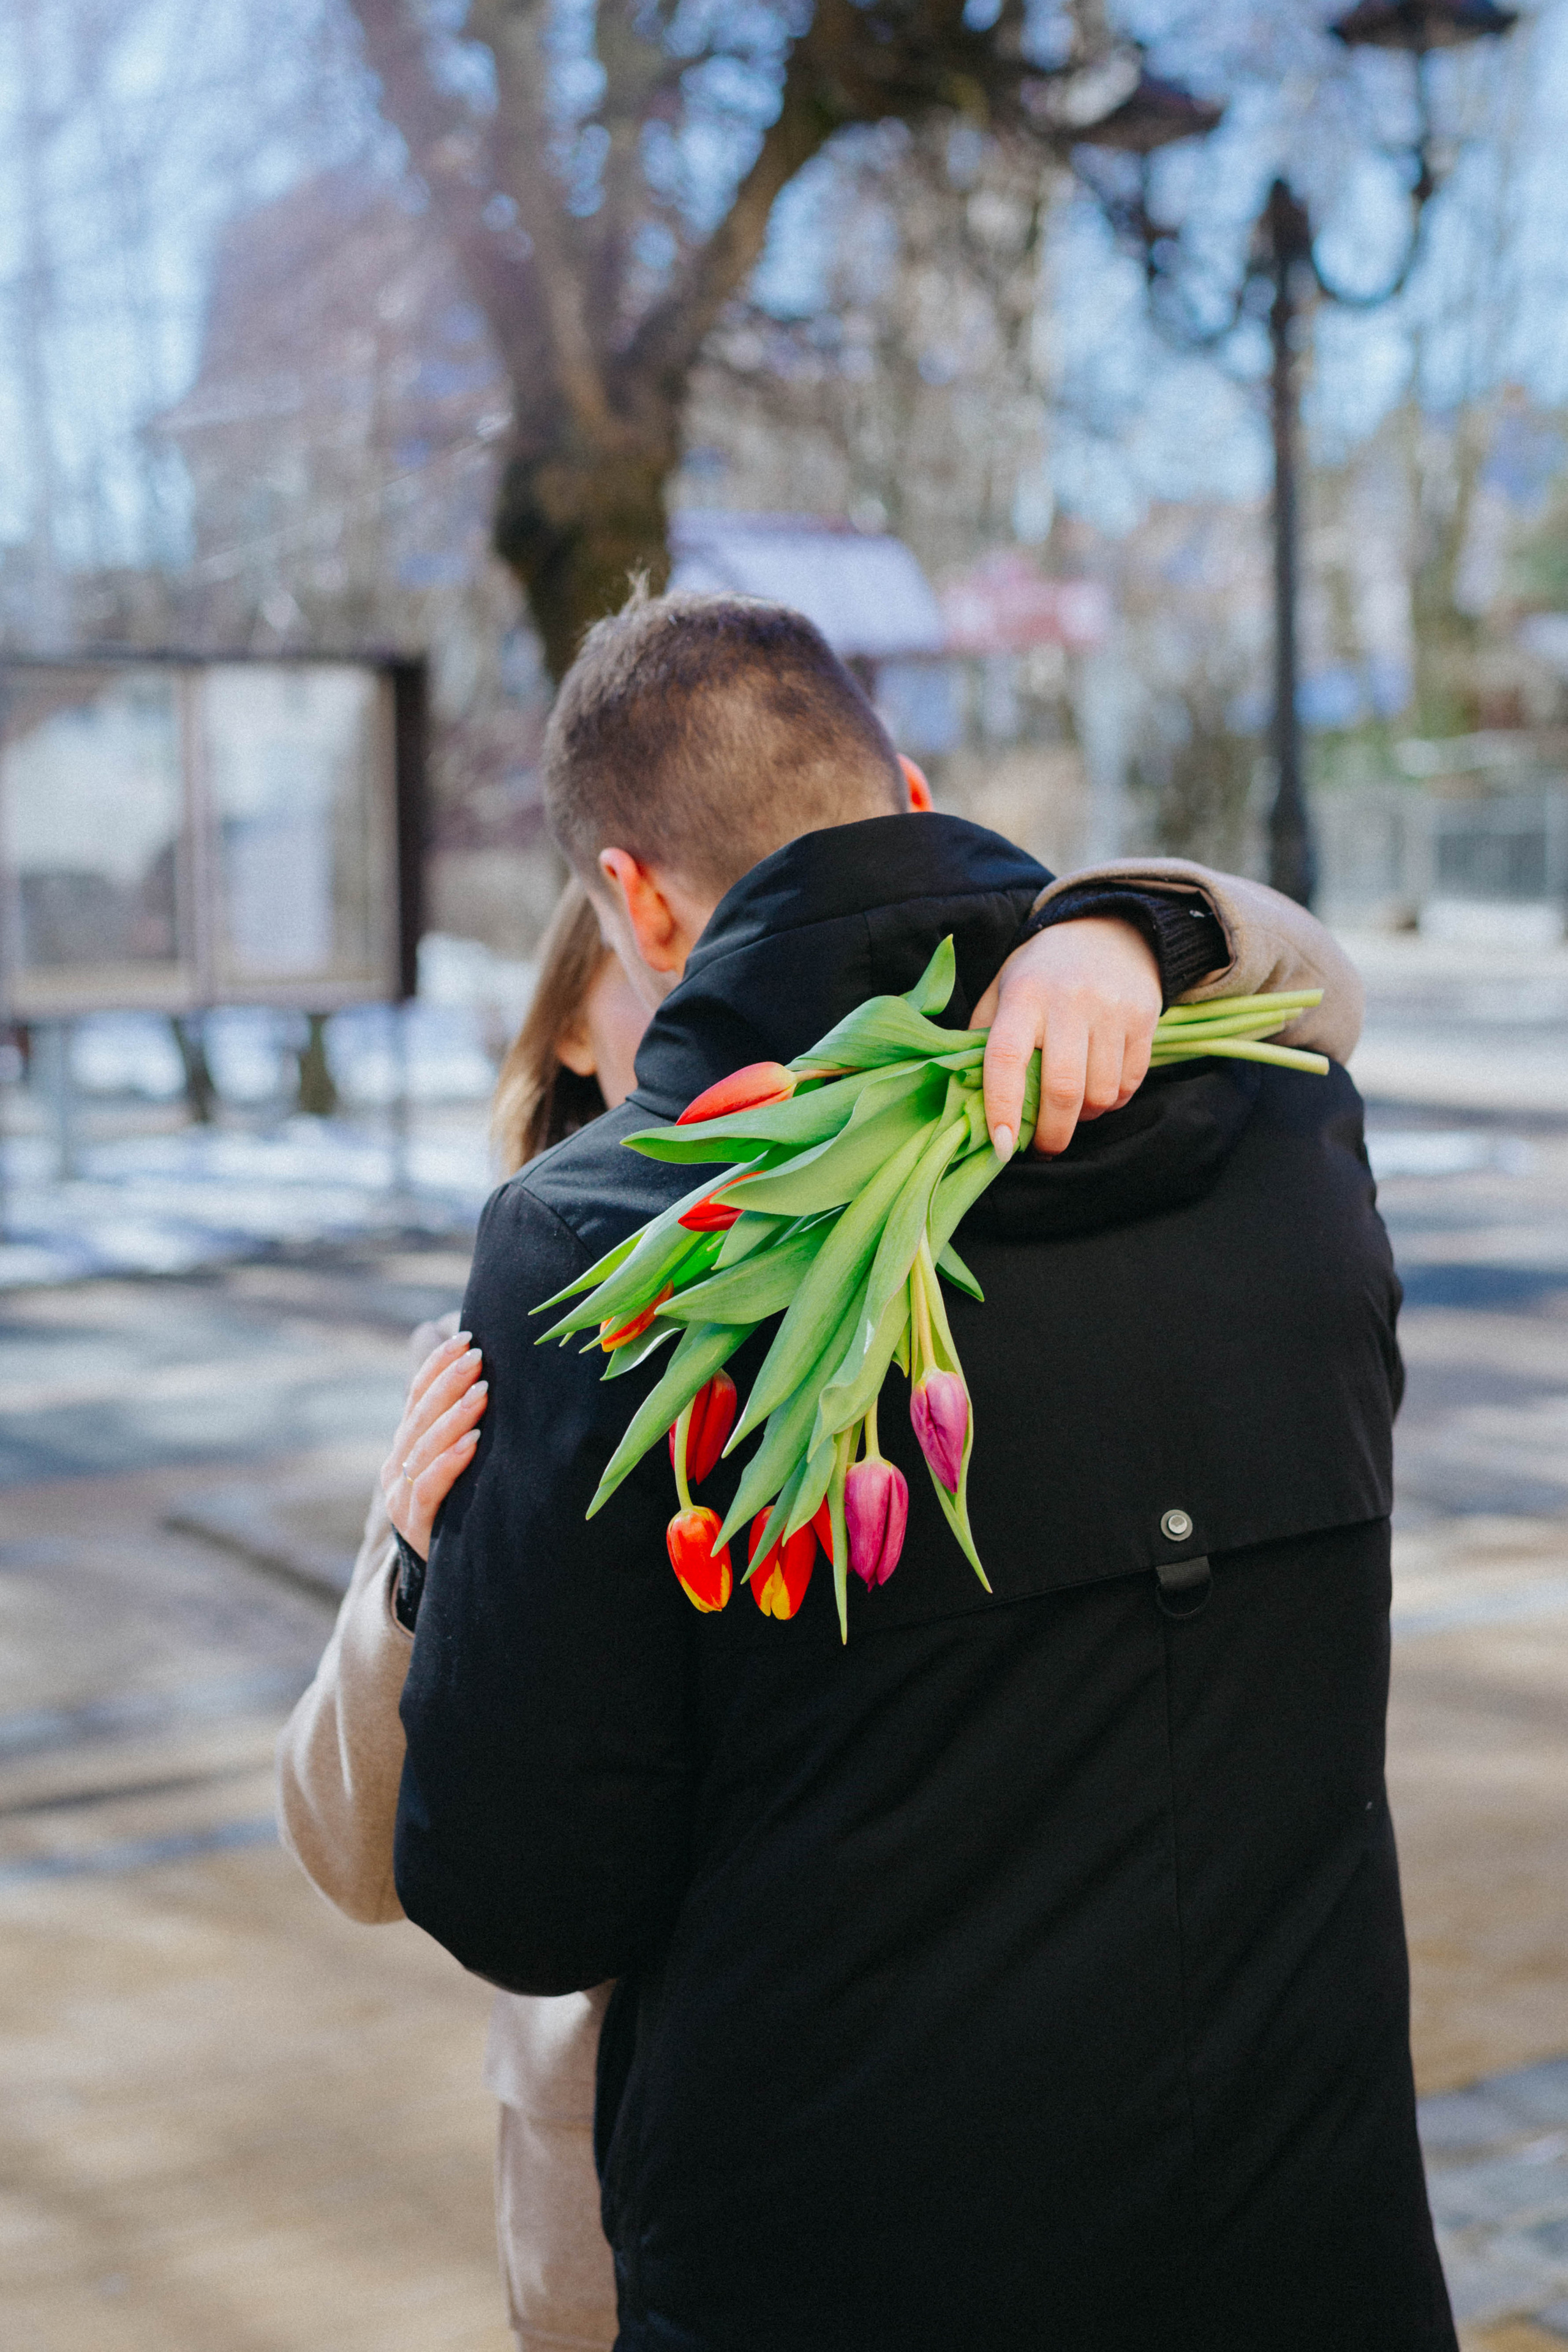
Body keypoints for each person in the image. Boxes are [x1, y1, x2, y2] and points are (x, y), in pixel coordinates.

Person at [297, 589, 1433, 2347]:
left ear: (639, 900)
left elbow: (528, 1896)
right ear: (907, 785)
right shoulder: (1289, 1134)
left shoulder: (607, 1261)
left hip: (841, 2278)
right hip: (1305, 2254)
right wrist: (1141, 929)